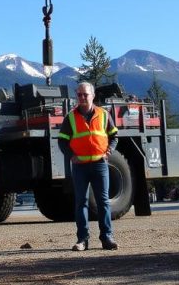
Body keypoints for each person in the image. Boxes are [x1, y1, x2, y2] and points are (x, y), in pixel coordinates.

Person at [57, 81, 120, 251]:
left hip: (100, 164)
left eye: (85, 94)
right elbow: (62, 140)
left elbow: (114, 136)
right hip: (80, 167)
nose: (82, 97)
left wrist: (109, 152)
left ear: (93, 95)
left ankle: (107, 238)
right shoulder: (70, 117)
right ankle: (82, 240)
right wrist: (71, 156)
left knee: (103, 202)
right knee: (81, 203)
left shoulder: (104, 114)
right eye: (79, 95)